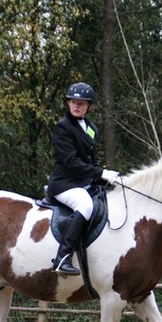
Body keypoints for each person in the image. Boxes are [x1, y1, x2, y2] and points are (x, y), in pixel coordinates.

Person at [47, 82, 120, 275]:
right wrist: (100, 173)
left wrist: (104, 176)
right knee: (85, 206)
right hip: (64, 184)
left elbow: (89, 160)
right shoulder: (62, 127)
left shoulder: (90, 128)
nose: (76, 106)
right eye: (73, 102)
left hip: (83, 182)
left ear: (89, 106)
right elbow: (70, 161)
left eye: (81, 102)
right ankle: (63, 257)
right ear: (68, 103)